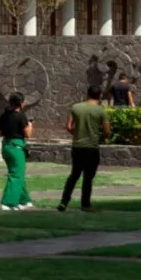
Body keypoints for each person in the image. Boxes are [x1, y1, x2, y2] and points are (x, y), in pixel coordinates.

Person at [60, 83, 106, 213]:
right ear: (99, 96)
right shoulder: (100, 110)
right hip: (92, 147)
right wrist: (100, 137)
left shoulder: (75, 107)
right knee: (88, 178)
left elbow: (69, 127)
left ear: (88, 93)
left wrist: (77, 134)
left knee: (74, 175)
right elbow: (107, 130)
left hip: (77, 147)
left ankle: (64, 202)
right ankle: (85, 204)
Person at [0, 93, 34, 211]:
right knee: (16, 175)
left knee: (17, 173)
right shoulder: (21, 116)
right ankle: (8, 202)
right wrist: (30, 125)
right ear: (21, 103)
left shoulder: (3, 116)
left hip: (6, 147)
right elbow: (28, 134)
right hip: (16, 147)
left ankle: (24, 200)